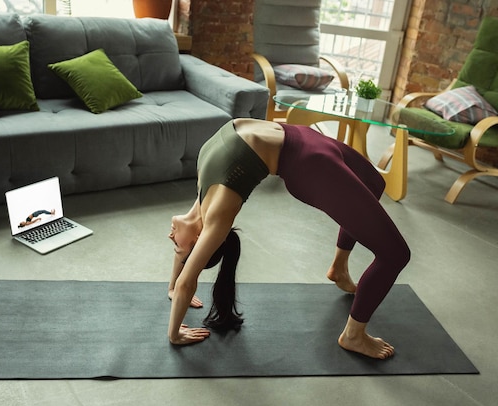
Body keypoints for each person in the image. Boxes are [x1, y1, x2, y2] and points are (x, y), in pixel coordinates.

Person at [166, 118, 410, 360]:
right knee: (395, 255)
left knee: (374, 183)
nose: (170, 237)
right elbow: (187, 281)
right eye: (178, 247)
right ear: (199, 239)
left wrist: (171, 288)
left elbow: (183, 275)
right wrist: (174, 333)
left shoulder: (203, 188)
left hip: (303, 136)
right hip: (312, 165)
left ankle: (339, 267)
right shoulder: (218, 214)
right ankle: (354, 336)